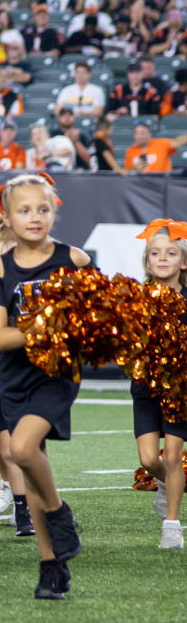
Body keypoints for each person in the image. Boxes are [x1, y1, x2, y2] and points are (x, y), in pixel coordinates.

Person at [0, 175, 89, 599]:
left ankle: (59, 514)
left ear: (53, 212)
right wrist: (49, 327)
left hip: (56, 376)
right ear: (7, 217)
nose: (35, 217)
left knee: (20, 450)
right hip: (14, 379)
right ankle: (52, 566)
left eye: (43, 209)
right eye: (24, 210)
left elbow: (95, 317)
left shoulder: (74, 260)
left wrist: (63, 333)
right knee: (31, 462)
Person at [132, 220, 187, 549]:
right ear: (147, 260)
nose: (162, 258)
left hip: (181, 391)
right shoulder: (137, 299)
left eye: (170, 253)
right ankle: (168, 486)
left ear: (183, 262)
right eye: (155, 253)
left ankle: (172, 525)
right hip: (145, 389)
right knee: (149, 459)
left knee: (173, 455)